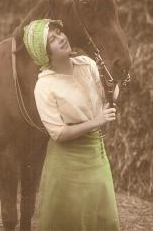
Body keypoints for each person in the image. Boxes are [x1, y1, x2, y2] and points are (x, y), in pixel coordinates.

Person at [23, 19, 120, 231]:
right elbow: (58, 133)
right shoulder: (45, 85)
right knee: (70, 221)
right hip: (67, 162)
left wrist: (114, 83)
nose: (61, 38)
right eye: (52, 39)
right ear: (44, 52)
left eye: (59, 32)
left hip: (96, 154)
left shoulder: (87, 64)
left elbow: (106, 96)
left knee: (99, 217)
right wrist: (98, 121)